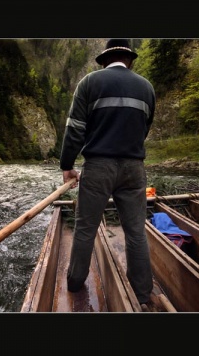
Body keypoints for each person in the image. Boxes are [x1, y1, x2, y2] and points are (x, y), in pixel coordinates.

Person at [59, 39, 156, 305]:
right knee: (136, 230)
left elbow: (76, 129)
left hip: (98, 166)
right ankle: (142, 294)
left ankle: (75, 283)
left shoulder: (89, 83)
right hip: (134, 169)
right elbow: (144, 129)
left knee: (85, 228)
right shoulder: (147, 87)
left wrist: (67, 165)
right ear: (130, 60)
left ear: (104, 60)